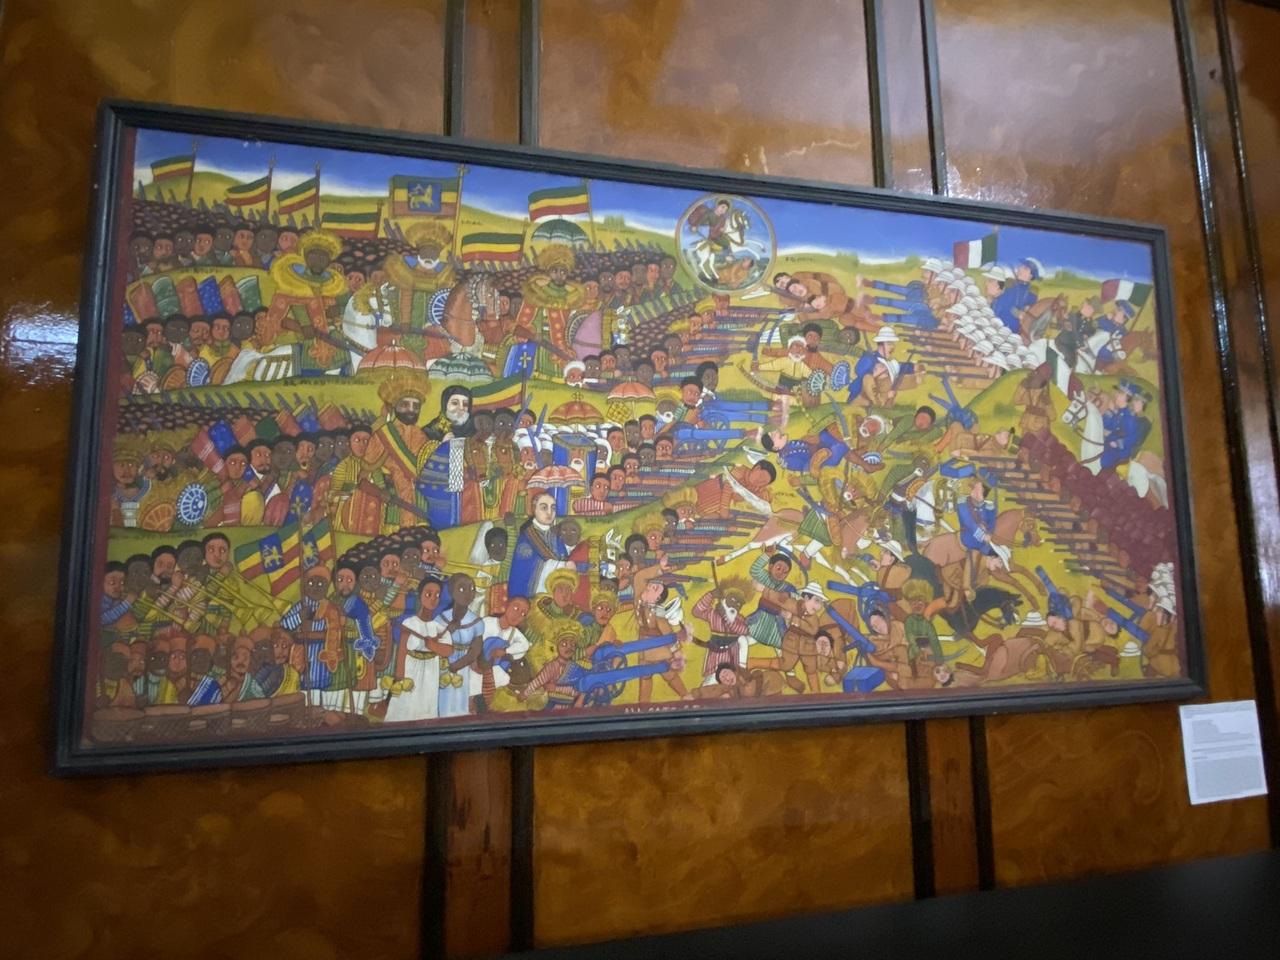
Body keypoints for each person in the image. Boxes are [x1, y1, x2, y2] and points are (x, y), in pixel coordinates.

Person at [280, 565, 344, 708]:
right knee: (304, 690)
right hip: (303, 656)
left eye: (320, 584)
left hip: (322, 658)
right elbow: (285, 624)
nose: (315, 587)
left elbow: (335, 629)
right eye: (311, 583)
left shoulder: (330, 608)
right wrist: (299, 617)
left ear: (327, 587)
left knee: (321, 692)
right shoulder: (301, 606)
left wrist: (314, 627)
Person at [384, 577, 445, 723]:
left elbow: (446, 650)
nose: (433, 599)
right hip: (411, 670)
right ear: (420, 595)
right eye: (428, 594)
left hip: (431, 670)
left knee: (427, 705)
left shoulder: (439, 626)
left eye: (437, 595)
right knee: (404, 706)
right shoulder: (409, 623)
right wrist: (399, 679)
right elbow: (402, 652)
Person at [992, 258, 1041, 334]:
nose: (1020, 269)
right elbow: (1001, 303)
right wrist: (1017, 313)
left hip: (1016, 333)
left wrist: (1025, 313)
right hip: (997, 327)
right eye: (1021, 266)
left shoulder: (1032, 295)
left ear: (1031, 276)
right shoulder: (1008, 284)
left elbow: (1030, 316)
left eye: (1025, 268)